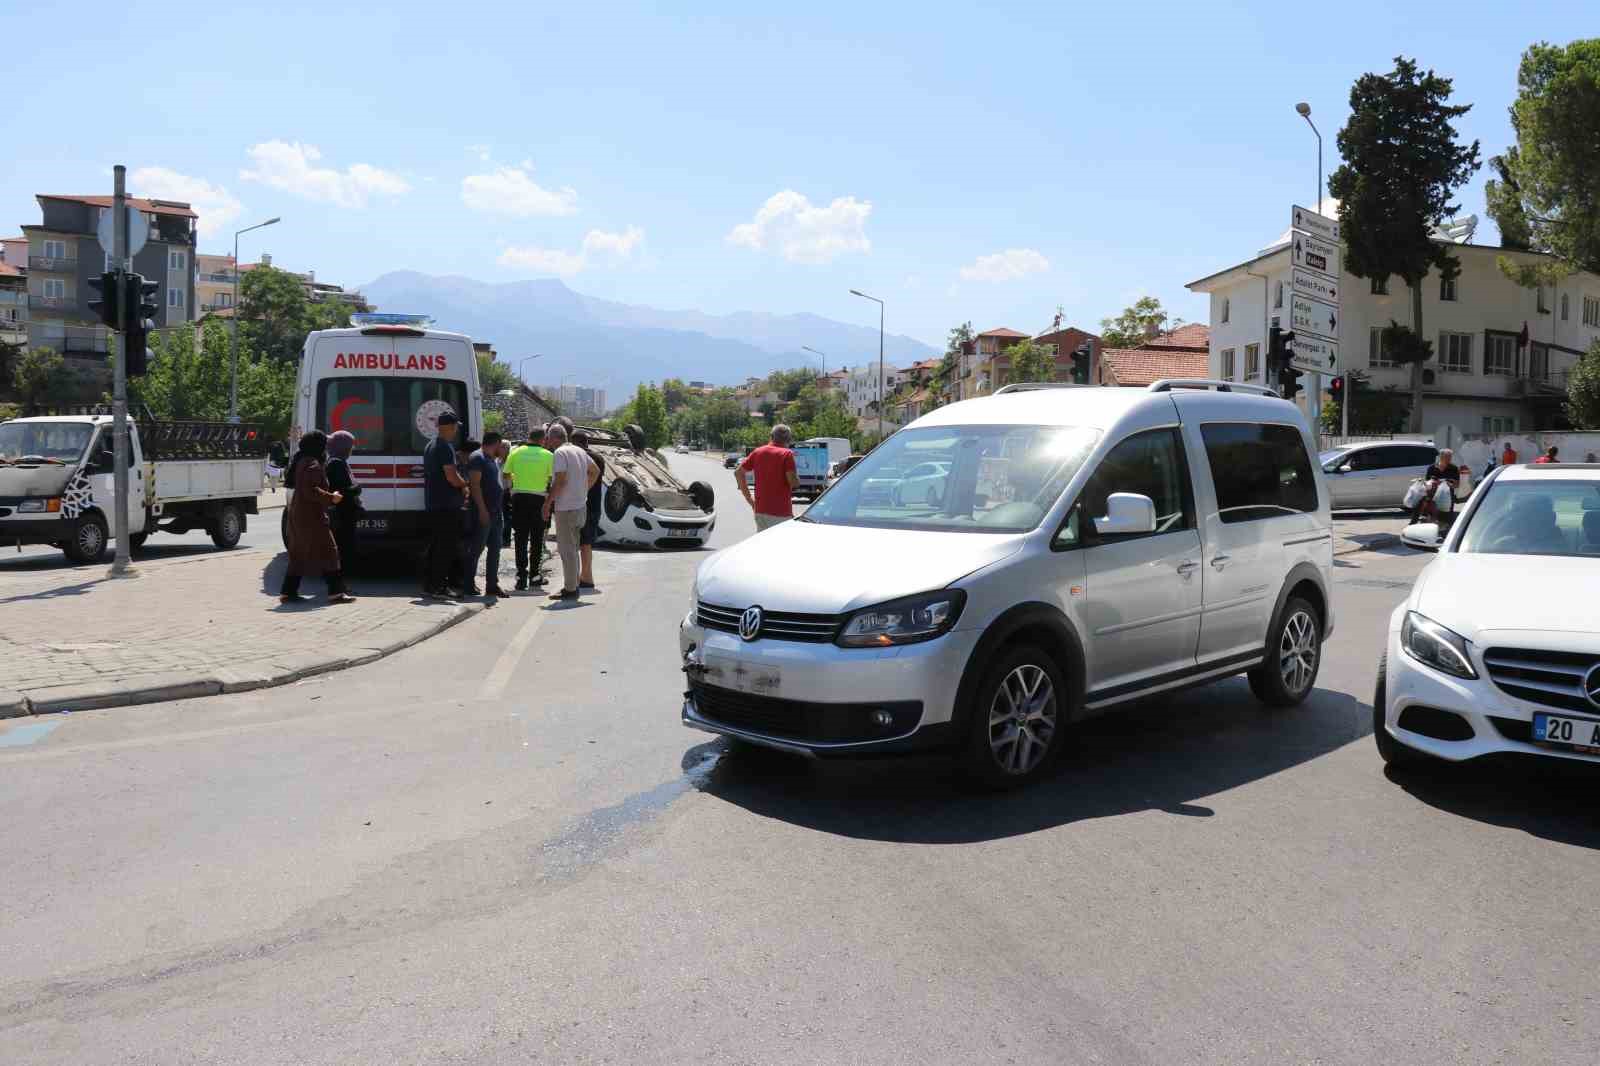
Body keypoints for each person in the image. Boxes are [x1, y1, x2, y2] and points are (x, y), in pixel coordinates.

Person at [280, 431, 353, 605]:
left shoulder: (302, 460)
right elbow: (311, 490)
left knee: (298, 554)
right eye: (324, 444)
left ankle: (288, 593)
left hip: (300, 514)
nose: (326, 447)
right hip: (312, 516)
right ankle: (336, 593)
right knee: (330, 552)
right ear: (317, 446)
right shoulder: (312, 464)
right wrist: (331, 497)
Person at [542, 423, 599, 601]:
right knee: (573, 548)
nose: (547, 441)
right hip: (580, 506)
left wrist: (547, 503)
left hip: (566, 508)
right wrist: (584, 490)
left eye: (548, 437)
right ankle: (572, 585)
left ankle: (570, 589)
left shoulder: (559, 453)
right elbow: (595, 471)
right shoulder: (579, 451)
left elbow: (560, 481)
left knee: (567, 550)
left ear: (554, 438)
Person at [422, 411, 469, 599]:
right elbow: (451, 476)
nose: (457, 430)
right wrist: (464, 485)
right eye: (456, 426)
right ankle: (439, 587)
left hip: (434, 502)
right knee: (445, 547)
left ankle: (429, 585)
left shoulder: (430, 445)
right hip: (447, 504)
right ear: (449, 427)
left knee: (435, 546)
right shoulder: (445, 447)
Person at [504, 425, 555, 590]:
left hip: (519, 498)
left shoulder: (516, 452)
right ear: (543, 439)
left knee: (519, 538)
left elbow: (505, 474)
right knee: (537, 538)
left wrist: (514, 482)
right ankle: (535, 575)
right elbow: (552, 478)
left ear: (529, 437)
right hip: (539, 499)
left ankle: (520, 577)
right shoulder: (548, 455)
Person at [463, 431, 509, 598]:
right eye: (502, 446)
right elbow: (475, 485)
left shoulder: (492, 460)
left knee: (495, 549)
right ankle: (467, 584)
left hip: (496, 512)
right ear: (496, 443)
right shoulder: (478, 457)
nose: (503, 450)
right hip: (483, 512)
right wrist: (482, 510)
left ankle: (492, 585)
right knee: (476, 549)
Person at [738, 423, 799, 530]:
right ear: (789, 439)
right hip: (781, 512)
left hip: (760, 510)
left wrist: (750, 500)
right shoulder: (787, 454)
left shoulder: (758, 451)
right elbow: (793, 482)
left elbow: (738, 473)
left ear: (771, 437)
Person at [573, 430, 606, 590]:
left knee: (581, 544)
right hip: (594, 505)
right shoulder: (598, 458)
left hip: (582, 505)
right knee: (586, 543)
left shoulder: (580, 457)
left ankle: (585, 578)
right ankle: (586, 576)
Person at [325, 430, 363, 569]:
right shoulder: (337, 463)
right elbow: (342, 490)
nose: (352, 449)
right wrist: (357, 488)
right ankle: (340, 585)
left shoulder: (336, 461)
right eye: (351, 446)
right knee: (344, 548)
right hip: (342, 514)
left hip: (342, 513)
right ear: (344, 447)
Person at [1411, 448, 1461, 523]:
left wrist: (1449, 484)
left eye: (1450, 457)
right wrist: (1434, 483)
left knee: (1447, 516)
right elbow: (1427, 482)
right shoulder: (1432, 468)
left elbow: (1457, 485)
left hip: (1447, 495)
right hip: (1433, 494)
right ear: (1441, 457)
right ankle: (1414, 522)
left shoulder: (1454, 468)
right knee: (1422, 505)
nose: (1449, 459)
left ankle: (1447, 528)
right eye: (1447, 457)